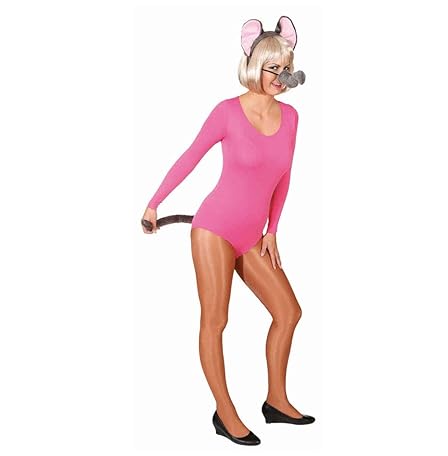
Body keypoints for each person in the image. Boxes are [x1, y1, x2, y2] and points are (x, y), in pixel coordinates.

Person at [141, 15, 314, 446]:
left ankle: (276, 401)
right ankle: (225, 411)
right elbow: (190, 157)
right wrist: (154, 203)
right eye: (272, 67)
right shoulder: (227, 112)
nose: (280, 76)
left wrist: (273, 231)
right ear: (254, 64)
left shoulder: (291, 117)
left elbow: (284, 176)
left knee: (288, 312)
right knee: (216, 320)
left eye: (286, 67)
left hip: (253, 235)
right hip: (214, 228)